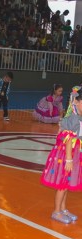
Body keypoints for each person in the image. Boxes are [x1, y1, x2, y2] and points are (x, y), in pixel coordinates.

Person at [41, 86, 82, 224]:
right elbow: (69, 138)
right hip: (67, 154)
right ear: (76, 102)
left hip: (73, 153)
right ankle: (56, 211)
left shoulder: (79, 117)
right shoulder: (74, 118)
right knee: (63, 183)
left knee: (67, 183)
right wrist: (69, 159)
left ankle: (63, 208)